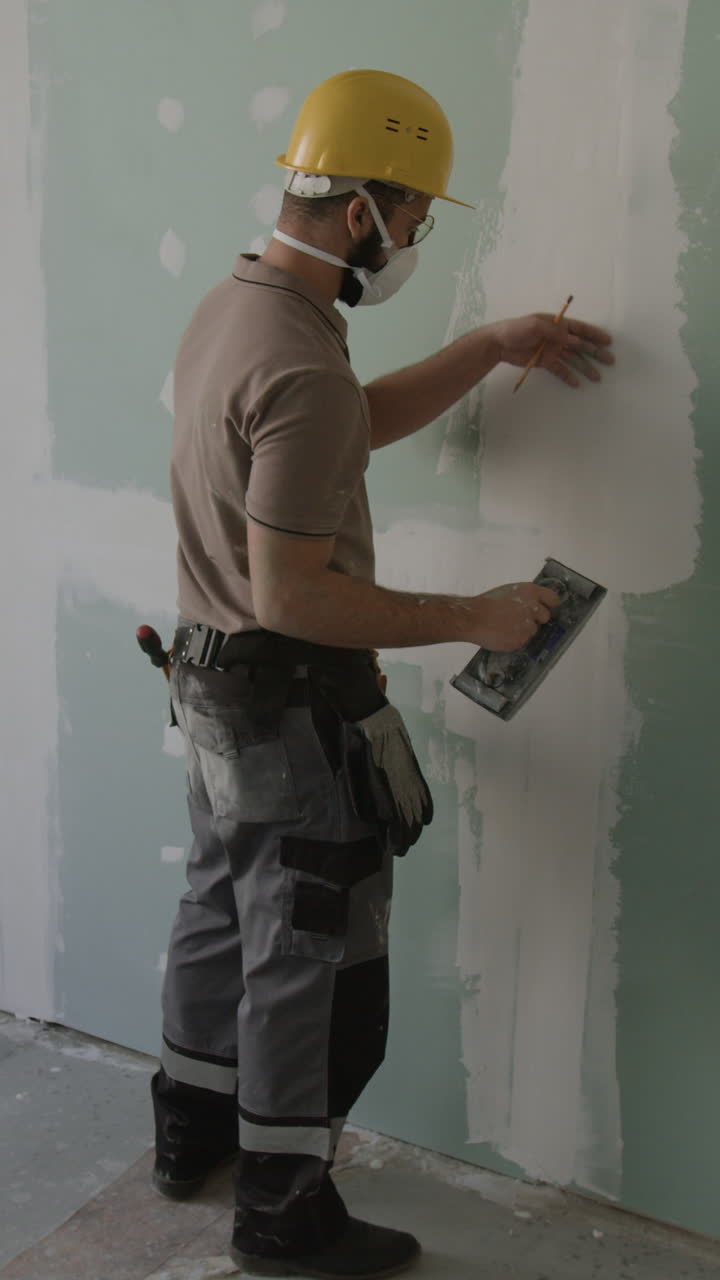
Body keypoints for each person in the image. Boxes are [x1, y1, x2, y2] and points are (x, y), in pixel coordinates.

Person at [151, 69, 614, 1278]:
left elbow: (333, 427)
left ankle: (187, 1135)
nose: (414, 238)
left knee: (218, 912)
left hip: (209, 694)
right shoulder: (297, 360)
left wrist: (485, 345)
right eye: (414, 218)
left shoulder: (239, 307)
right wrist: (480, 614)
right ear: (363, 209)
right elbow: (293, 593)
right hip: (290, 706)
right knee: (313, 954)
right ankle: (282, 1211)